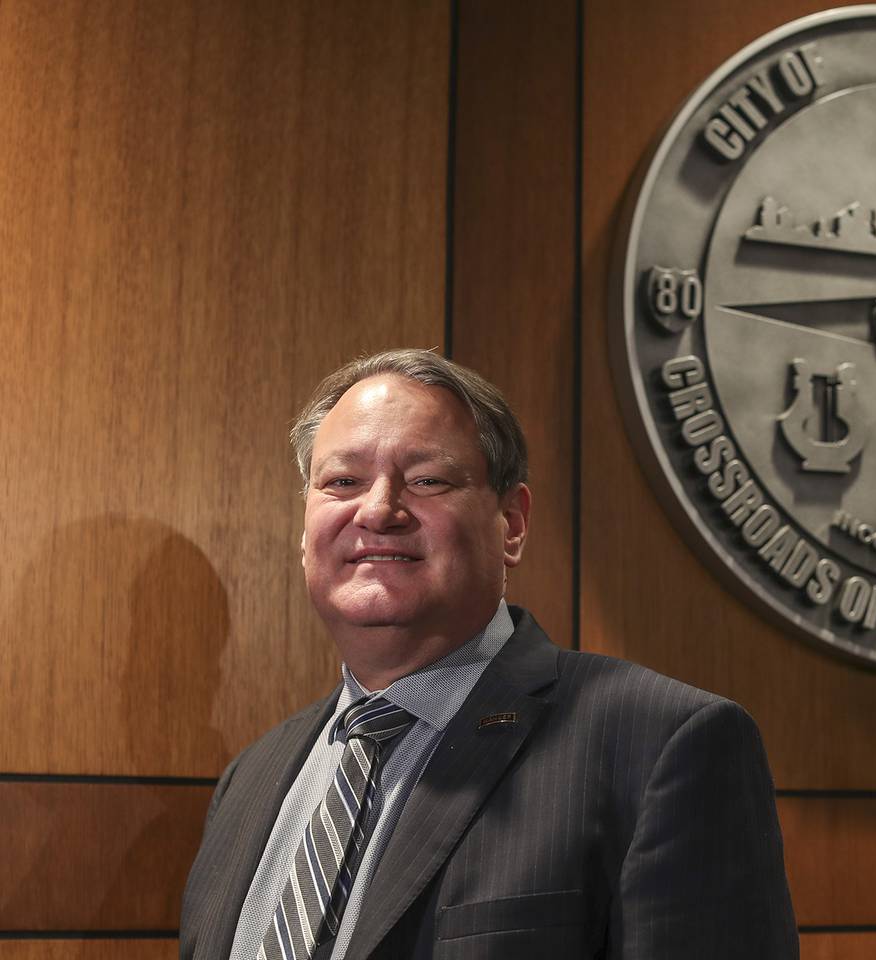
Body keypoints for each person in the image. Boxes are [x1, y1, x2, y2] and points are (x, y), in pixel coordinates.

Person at [180, 349, 798, 959]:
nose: (377, 510)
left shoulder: (662, 744)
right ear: (306, 528)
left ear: (513, 523)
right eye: (342, 481)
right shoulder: (250, 778)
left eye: (428, 480)